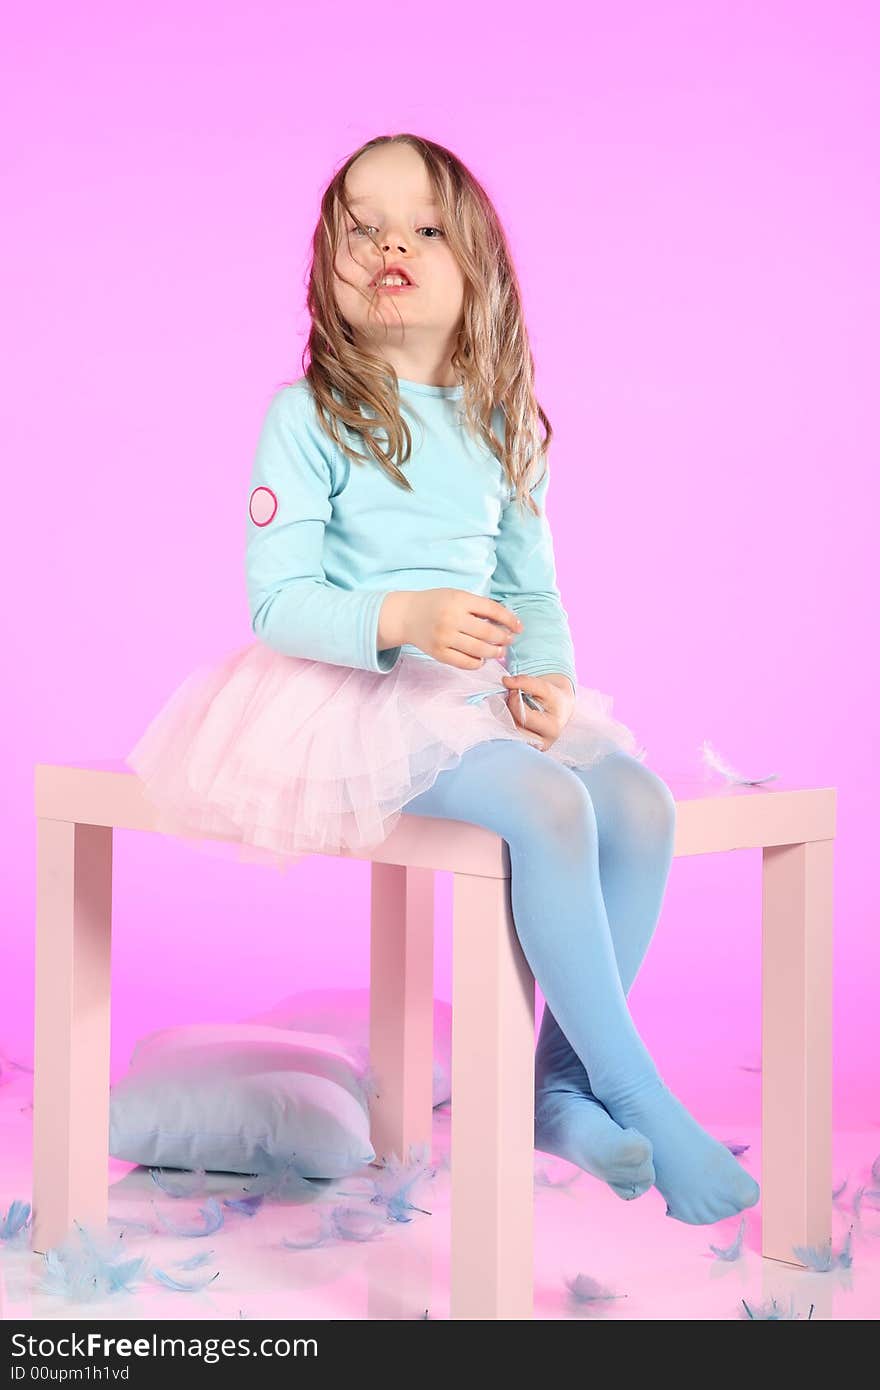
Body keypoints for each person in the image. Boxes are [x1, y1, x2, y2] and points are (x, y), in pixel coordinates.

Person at [126, 134, 760, 1227]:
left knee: (637, 801)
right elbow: (277, 601)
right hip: (350, 695)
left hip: (470, 704)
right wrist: (404, 618)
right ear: (326, 271)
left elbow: (535, 590)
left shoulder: (499, 418)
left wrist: (548, 682)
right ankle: (637, 1091)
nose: (389, 245)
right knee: (549, 804)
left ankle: (552, 1084)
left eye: (421, 227)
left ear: (478, 270)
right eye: (360, 228)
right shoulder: (309, 416)